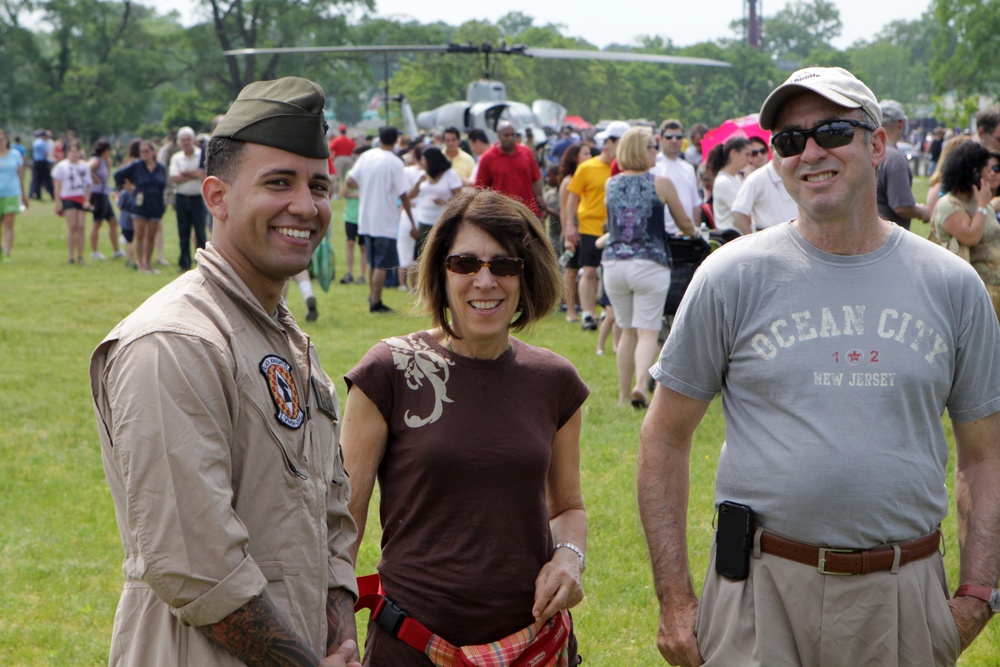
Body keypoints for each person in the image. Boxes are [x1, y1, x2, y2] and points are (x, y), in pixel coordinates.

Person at [637, 66, 1000, 667]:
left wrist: (979, 592)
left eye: (832, 131)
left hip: (904, 596)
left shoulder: (950, 285)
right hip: (759, 593)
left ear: (877, 144)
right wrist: (675, 600)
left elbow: (985, 456)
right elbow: (663, 438)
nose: (809, 152)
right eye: (788, 139)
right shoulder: (731, 276)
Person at [90, 76, 361, 667]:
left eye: (319, 185)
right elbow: (195, 563)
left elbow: (331, 518)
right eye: (278, 182)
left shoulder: (283, 335)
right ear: (216, 197)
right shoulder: (175, 341)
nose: (306, 206)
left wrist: (341, 639)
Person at [341, 188, 588, 666]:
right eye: (465, 264)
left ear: (526, 273)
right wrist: (331, 631)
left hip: (533, 647)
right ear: (440, 271)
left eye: (503, 265)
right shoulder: (388, 370)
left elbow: (569, 507)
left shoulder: (555, 381)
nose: (484, 280)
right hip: (412, 645)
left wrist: (568, 558)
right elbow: (343, 525)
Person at [603, 127, 696, 407]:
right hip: (650, 262)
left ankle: (622, 396)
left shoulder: (612, 184)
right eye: (652, 146)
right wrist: (693, 232)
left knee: (626, 329)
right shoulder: (662, 182)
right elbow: (683, 222)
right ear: (641, 151)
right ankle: (641, 386)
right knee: (648, 331)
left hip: (615, 263)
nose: (656, 151)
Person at [565, 121, 628, 331]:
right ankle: (587, 313)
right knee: (589, 270)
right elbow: (572, 198)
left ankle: (606, 311)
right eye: (613, 142)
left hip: (615, 228)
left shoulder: (624, 168)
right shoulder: (587, 167)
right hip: (590, 226)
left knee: (609, 271)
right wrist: (569, 226)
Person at [346, 125, 415, 313]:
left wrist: (364, 190)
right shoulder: (395, 162)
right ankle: (376, 302)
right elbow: (404, 195)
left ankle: (372, 296)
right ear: (396, 141)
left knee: (372, 262)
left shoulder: (367, 156)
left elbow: (350, 180)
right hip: (385, 220)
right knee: (381, 265)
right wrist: (412, 222)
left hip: (365, 218)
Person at [932, 142, 1000, 312]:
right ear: (975, 173)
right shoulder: (949, 204)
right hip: (976, 295)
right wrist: (983, 205)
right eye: (987, 168)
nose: (991, 173)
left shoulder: (978, 199)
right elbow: (971, 236)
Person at [114, 140, 167, 274]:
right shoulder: (136, 165)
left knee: (151, 236)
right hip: (140, 204)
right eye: (142, 151)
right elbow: (118, 175)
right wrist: (128, 187)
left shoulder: (160, 168)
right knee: (139, 235)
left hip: (155, 205)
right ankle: (141, 265)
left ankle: (148, 264)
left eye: (146, 151)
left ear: (153, 152)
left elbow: (164, 185)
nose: (144, 154)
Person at [876, 100, 930, 230]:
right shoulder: (894, 158)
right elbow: (902, 207)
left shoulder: (868, 152)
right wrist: (923, 212)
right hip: (889, 239)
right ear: (901, 124)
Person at [474, 121, 544, 218]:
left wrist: (540, 200)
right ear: (498, 136)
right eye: (506, 135)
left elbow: (535, 179)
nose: (510, 138)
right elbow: (480, 189)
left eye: (512, 135)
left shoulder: (526, 152)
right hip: (503, 216)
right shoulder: (487, 158)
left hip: (528, 212)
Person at [731, 146, 797, 233]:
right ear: (772, 150)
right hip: (769, 237)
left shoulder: (795, 174)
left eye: (762, 151)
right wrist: (752, 241)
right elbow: (738, 212)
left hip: (796, 235)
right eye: (755, 153)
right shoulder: (756, 178)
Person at [168, 126, 208, 272]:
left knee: (200, 232)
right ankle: (184, 263)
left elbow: (204, 174)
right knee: (183, 232)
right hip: (182, 199)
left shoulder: (202, 155)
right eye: (183, 140)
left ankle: (202, 264)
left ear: (193, 140)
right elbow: (174, 178)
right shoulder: (176, 158)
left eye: (188, 139)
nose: (186, 143)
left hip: (198, 199)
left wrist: (185, 173)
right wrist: (195, 174)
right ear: (180, 142)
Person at [653, 120, 702, 236]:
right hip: (663, 233)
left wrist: (696, 231)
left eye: (679, 137)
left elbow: (695, 204)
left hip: (686, 234)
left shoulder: (688, 168)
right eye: (669, 137)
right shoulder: (653, 166)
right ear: (660, 139)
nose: (674, 141)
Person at [52, 139, 93, 265]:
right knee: (72, 226)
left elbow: (89, 185)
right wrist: (57, 202)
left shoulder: (84, 166)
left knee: (81, 227)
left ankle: (80, 255)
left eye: (76, 151)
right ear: (67, 152)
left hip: (80, 197)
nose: (74, 154)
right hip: (68, 196)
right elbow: (57, 185)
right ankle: (71, 256)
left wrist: (87, 200)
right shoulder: (61, 166)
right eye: (71, 151)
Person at [704, 137, 750, 234]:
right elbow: (741, 213)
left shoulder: (736, 178)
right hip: (732, 237)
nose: (749, 159)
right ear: (733, 153)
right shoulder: (723, 182)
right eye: (746, 154)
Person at [87, 140, 124, 261]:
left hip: (104, 194)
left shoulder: (105, 161)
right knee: (97, 222)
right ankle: (94, 251)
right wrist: (95, 179)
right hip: (97, 194)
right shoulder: (96, 160)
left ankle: (116, 250)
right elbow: (87, 169)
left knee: (113, 221)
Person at [339, 145, 368, 285]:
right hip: (350, 215)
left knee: (363, 247)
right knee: (350, 243)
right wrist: (354, 192)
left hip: (365, 215)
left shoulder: (369, 174)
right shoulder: (351, 173)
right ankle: (349, 272)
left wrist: (359, 194)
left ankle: (362, 275)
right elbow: (343, 193)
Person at [0, 128, 26, 263]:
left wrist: (24, 195)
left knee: (9, 223)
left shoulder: (15, 155)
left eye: (2, 138)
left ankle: (7, 253)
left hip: (11, 193)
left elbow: (21, 176)